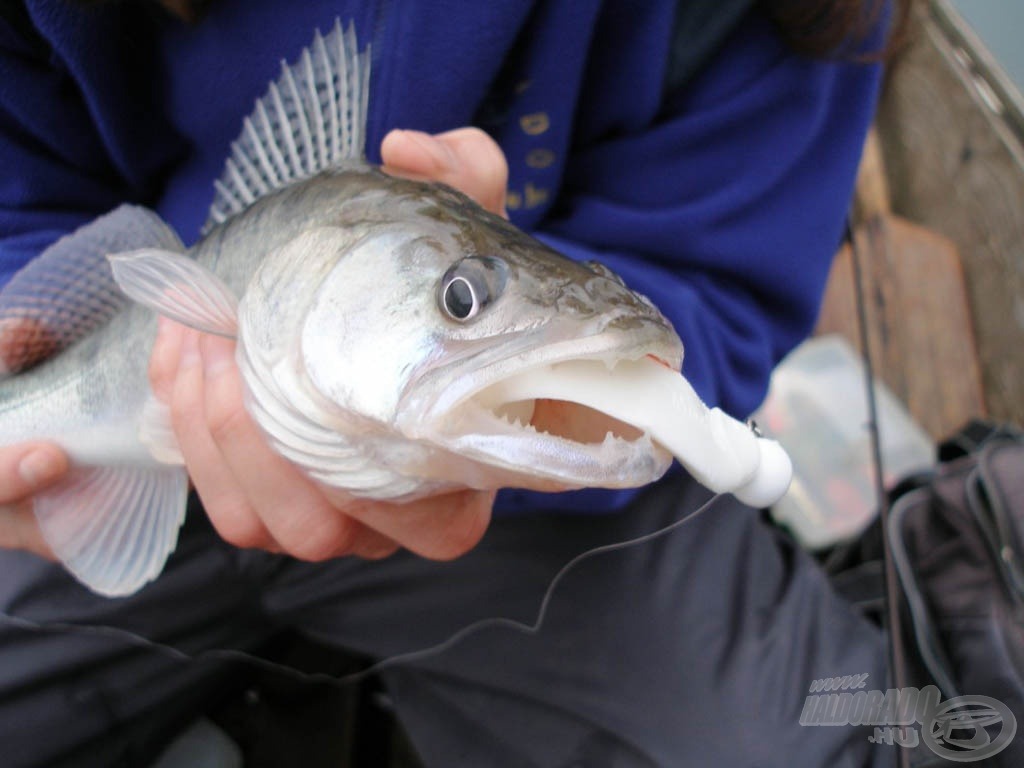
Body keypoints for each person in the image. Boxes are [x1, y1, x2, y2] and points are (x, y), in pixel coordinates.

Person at [0, 0, 897, 765]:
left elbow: (714, 294)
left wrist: (506, 416)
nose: (465, 302)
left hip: (515, 500)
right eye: (463, 298)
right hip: (112, 465)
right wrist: (18, 299)